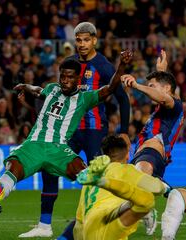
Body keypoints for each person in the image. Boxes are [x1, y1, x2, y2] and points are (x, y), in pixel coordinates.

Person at [0, 51, 133, 216]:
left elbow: (110, 88)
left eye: (70, 77)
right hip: (34, 144)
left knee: (87, 175)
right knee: (12, 167)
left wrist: (122, 65)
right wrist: (24, 86)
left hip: (58, 149)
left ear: (78, 80)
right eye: (62, 76)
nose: (65, 80)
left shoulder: (84, 98)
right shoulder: (52, 89)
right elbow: (37, 90)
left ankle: (126, 199)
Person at [19, 22, 130, 238]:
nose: (82, 44)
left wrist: (124, 130)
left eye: (86, 40)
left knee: (98, 176)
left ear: (95, 40)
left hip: (94, 129)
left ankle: (125, 209)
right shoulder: (69, 65)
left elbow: (122, 99)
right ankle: (44, 225)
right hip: (67, 131)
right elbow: (54, 99)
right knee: (49, 168)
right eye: (78, 40)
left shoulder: (104, 66)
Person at [121, 51, 184, 235]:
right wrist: (161, 71)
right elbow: (167, 90)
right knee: (131, 186)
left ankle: (149, 206)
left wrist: (136, 85)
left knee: (141, 171)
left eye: (153, 86)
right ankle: (157, 200)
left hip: (152, 153)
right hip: (143, 152)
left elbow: (165, 96)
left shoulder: (173, 104)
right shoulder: (167, 106)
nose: (150, 89)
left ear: (166, 89)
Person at [74, 135, 169, 240]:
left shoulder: (89, 175)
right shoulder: (126, 170)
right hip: (109, 222)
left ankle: (134, 207)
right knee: (147, 200)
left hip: (87, 228)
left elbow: (79, 221)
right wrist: (165, 188)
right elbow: (156, 188)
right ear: (127, 155)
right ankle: (142, 210)